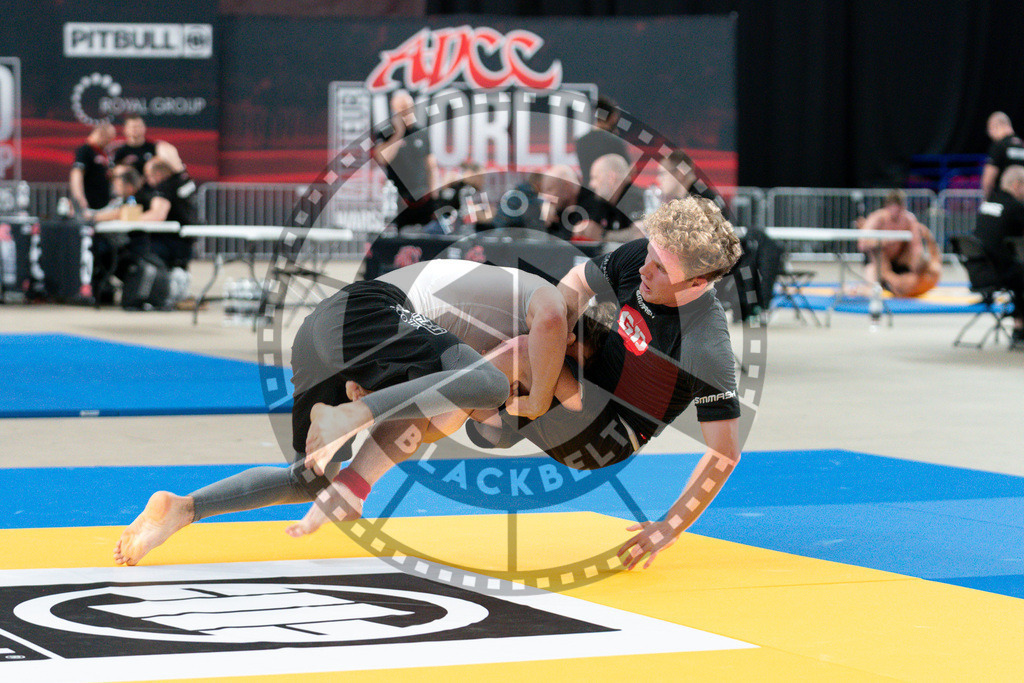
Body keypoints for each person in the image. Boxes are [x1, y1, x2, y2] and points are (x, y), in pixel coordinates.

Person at [296, 197, 744, 571]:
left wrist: (670, 526)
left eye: (661, 268)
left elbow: (724, 452)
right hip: (587, 377)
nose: (645, 269)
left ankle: (389, 420)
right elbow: (576, 282)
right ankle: (464, 422)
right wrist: (557, 341)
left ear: (697, 283)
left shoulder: (705, 345)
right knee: (510, 341)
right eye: (649, 254)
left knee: (511, 356)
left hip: (607, 433)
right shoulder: (642, 259)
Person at [113, 260, 577, 566]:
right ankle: (354, 412)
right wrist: (536, 401)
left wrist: (357, 476)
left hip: (322, 335)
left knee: (310, 480)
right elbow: (544, 332)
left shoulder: (460, 354)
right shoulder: (545, 302)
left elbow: (427, 423)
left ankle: (183, 507)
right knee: (488, 385)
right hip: (366, 310)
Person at [373, 91, 439, 229]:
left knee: (427, 233)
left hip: (423, 197)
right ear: (394, 110)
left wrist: (434, 195)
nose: (408, 112)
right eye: (403, 109)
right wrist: (399, 133)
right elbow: (381, 158)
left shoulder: (421, 133)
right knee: (399, 234)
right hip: (398, 198)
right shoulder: (385, 133)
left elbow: (431, 165)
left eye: (410, 107)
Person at [137, 157, 199, 303]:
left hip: (170, 242)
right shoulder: (183, 182)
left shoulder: (164, 187)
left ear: (158, 174)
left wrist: (131, 218)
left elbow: (158, 215)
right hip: (186, 240)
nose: (147, 180)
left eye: (149, 176)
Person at [974, 164, 1024, 343]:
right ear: (1017, 184)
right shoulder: (1014, 208)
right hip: (997, 273)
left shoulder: (987, 204)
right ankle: (1020, 325)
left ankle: (1019, 324)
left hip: (977, 271)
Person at [856, 190, 927, 289]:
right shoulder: (877, 218)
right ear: (887, 206)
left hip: (897, 262)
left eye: (899, 211)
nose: (896, 214)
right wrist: (883, 241)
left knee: (915, 259)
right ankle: (879, 282)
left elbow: (917, 247)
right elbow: (862, 244)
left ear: (903, 207)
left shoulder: (909, 220)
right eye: (893, 210)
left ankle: (894, 280)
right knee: (873, 268)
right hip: (878, 263)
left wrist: (918, 266)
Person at [575, 154, 645, 243]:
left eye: (595, 178)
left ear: (611, 178)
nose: (591, 184)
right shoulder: (607, 203)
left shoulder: (634, 197)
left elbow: (640, 234)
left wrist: (603, 235)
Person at [574, 95, 630, 188]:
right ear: (613, 117)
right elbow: (628, 171)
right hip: (609, 193)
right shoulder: (615, 142)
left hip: (586, 193)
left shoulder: (580, 141)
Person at [877, 226, 942, 297]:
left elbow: (886, 274)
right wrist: (928, 236)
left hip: (896, 287)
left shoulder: (909, 282)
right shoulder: (934, 271)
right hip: (903, 283)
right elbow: (935, 253)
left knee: (878, 271)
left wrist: (881, 251)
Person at [111, 115, 183, 177]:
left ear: (144, 128)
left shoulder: (154, 148)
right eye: (132, 127)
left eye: (138, 126)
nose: (135, 130)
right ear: (125, 130)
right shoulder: (120, 152)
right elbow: (113, 173)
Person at [69, 122, 115, 219]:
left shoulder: (102, 152)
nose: (109, 142)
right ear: (101, 135)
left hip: (102, 205)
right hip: (89, 206)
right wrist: (80, 199)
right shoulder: (85, 150)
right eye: (109, 138)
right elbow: (76, 174)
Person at [982, 112, 1024, 199]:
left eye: (989, 130)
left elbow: (989, 178)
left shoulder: (999, 146)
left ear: (995, 126)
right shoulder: (1022, 145)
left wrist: (987, 197)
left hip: (1003, 198)